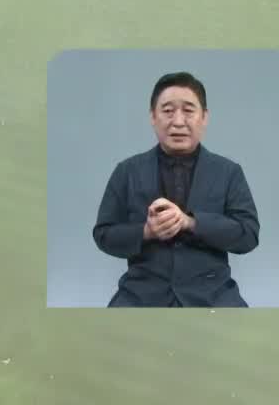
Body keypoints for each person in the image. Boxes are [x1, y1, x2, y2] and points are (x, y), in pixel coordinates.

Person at [91, 71, 259, 307]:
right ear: (153, 116)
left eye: (189, 110)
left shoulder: (228, 172)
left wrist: (190, 223)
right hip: (141, 293)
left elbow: (249, 235)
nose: (178, 121)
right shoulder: (127, 171)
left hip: (213, 293)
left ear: (205, 117)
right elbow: (103, 235)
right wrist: (146, 232)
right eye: (168, 111)